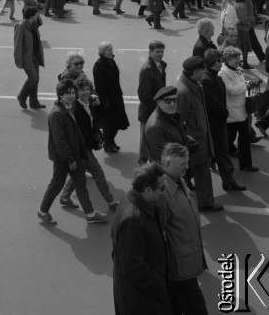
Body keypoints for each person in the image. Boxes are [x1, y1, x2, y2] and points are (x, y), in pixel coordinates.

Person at [37, 79, 108, 226]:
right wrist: (71, 161)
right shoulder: (57, 114)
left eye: (72, 92)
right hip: (64, 158)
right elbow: (60, 141)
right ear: (60, 95)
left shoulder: (68, 108)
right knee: (57, 184)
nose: (71, 95)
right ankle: (43, 211)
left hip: (74, 155)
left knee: (80, 183)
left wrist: (81, 152)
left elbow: (76, 133)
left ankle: (90, 214)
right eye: (67, 93)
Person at [111, 162, 173, 315]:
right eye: (162, 188)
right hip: (141, 299)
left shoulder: (131, 199)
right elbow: (134, 267)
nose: (163, 191)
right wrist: (158, 287)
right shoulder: (133, 220)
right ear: (148, 190)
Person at [159, 143, 209, 314]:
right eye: (182, 165)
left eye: (187, 163)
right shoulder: (163, 193)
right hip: (179, 264)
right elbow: (159, 232)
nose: (187, 168)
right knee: (196, 306)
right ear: (166, 165)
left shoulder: (179, 180)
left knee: (176, 304)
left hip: (187, 258)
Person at [59, 76, 119, 211]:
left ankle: (64, 196)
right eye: (82, 90)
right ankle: (110, 201)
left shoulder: (88, 102)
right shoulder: (75, 108)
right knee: (97, 172)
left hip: (85, 144)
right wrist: (93, 142)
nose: (86, 92)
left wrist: (98, 133)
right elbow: (79, 132)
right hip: (81, 146)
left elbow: (92, 121)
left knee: (79, 172)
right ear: (76, 92)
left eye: (87, 89)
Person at [176, 56, 223, 211]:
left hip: (199, 137)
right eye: (203, 70)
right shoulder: (184, 92)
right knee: (200, 171)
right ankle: (205, 202)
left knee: (193, 171)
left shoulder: (193, 85)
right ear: (195, 72)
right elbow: (179, 120)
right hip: (195, 141)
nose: (205, 72)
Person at [201, 49, 246, 190]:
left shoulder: (212, 75)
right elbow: (212, 102)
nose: (222, 63)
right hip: (216, 121)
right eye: (219, 61)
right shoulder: (208, 79)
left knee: (219, 150)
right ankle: (229, 180)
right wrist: (225, 111)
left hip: (218, 120)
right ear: (213, 63)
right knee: (222, 151)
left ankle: (217, 167)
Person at [219, 46, 261, 170]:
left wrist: (250, 83)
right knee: (228, 139)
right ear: (226, 59)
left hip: (241, 110)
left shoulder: (237, 69)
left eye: (238, 57)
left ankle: (246, 164)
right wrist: (246, 85)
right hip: (231, 112)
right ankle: (217, 160)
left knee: (244, 139)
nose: (238, 60)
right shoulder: (223, 73)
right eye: (234, 58)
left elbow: (240, 85)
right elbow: (231, 91)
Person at [93, 41, 129, 153]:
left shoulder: (111, 61)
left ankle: (111, 142)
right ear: (102, 52)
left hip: (116, 97)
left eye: (111, 49)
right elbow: (99, 86)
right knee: (108, 125)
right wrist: (105, 101)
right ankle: (107, 144)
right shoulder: (98, 65)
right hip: (107, 100)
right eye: (108, 50)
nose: (111, 52)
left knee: (116, 123)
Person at [137, 41, 167, 165]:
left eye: (162, 52)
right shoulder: (148, 69)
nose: (160, 54)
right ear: (150, 52)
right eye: (157, 52)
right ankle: (142, 165)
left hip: (156, 109)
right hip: (149, 110)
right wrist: (157, 106)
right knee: (145, 140)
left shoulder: (160, 65)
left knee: (153, 138)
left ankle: (152, 161)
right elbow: (143, 94)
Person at [143, 86, 188, 163]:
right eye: (168, 101)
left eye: (175, 100)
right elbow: (163, 158)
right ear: (158, 102)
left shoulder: (171, 115)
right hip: (168, 172)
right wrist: (186, 150)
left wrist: (187, 141)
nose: (172, 104)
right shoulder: (155, 128)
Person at [13, 7, 45, 110]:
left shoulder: (33, 24)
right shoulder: (21, 26)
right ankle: (21, 97)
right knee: (33, 78)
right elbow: (17, 44)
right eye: (36, 14)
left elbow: (41, 22)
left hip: (35, 56)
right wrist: (18, 60)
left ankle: (34, 102)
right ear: (31, 16)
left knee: (36, 79)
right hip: (27, 57)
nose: (38, 15)